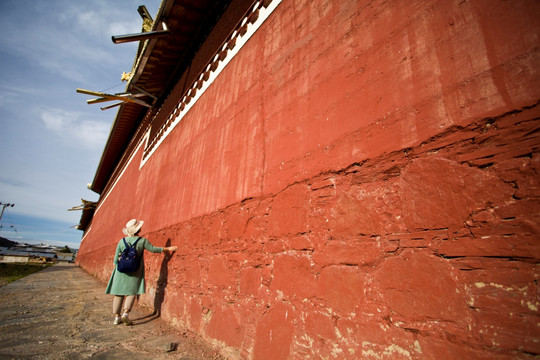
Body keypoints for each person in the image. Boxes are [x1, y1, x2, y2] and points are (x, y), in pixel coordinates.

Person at [105, 219, 177, 325]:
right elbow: (153, 249)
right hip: (135, 270)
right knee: (131, 292)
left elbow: (116, 259)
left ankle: (117, 317)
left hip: (120, 271)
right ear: (138, 230)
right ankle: (126, 313)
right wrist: (168, 249)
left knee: (118, 294)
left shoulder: (121, 241)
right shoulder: (142, 241)